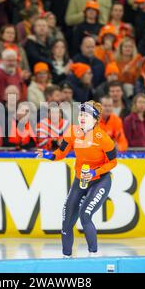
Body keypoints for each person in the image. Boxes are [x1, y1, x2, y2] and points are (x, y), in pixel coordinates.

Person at [36, 100, 117, 257]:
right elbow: (61, 153)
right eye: (80, 114)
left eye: (86, 115)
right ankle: (66, 257)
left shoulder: (103, 139)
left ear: (95, 119)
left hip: (100, 180)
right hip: (81, 180)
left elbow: (113, 162)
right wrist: (48, 155)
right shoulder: (72, 132)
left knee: (85, 215)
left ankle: (93, 255)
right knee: (67, 218)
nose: (82, 117)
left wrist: (95, 172)